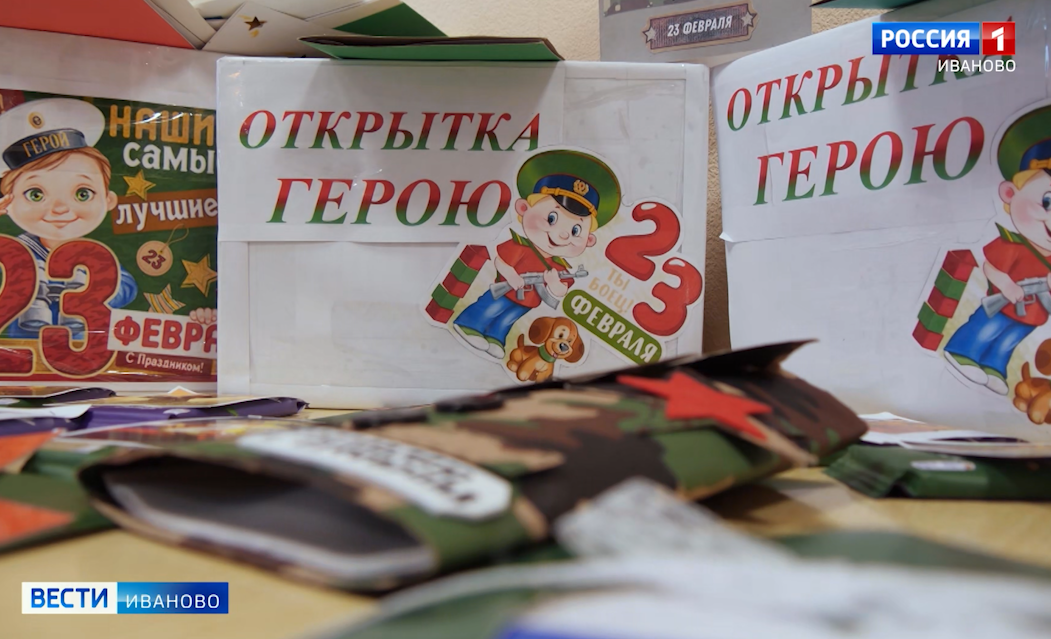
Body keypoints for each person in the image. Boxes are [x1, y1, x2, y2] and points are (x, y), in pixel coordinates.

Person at [454, 149, 621, 358]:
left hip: (529, 301)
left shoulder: (559, 266)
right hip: (507, 290)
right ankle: (469, 325)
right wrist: (512, 276)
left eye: (575, 231)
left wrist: (554, 283)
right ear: (523, 208)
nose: (562, 235)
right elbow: (500, 261)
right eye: (552, 218)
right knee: (491, 307)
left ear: (588, 241)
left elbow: (560, 291)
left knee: (508, 319)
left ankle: (496, 338)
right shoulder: (520, 246)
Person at [0, 98, 136, 339]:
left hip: (84, 346)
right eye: (36, 194)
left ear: (108, 200)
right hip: (24, 349)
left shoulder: (95, 257)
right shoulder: (16, 251)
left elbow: (126, 287)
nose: (61, 209)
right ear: (7, 203)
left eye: (82, 194)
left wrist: (84, 290)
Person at [944, 105, 1051, 395]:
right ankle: (963, 352)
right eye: (1047, 202)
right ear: (1009, 194)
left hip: (1033, 314)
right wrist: (1006, 285)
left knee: (1009, 341)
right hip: (1006, 303)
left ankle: (994, 367)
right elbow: (991, 267)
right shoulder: (1012, 243)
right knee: (987, 328)